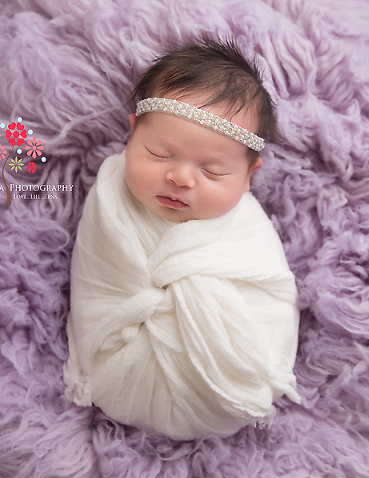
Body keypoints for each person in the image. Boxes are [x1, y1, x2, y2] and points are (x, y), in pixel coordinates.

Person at [63, 36, 300, 440]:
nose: (181, 178)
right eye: (158, 153)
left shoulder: (246, 227)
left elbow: (272, 290)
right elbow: (97, 279)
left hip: (222, 384)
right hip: (119, 364)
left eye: (213, 172)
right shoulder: (111, 195)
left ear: (249, 176)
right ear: (133, 131)